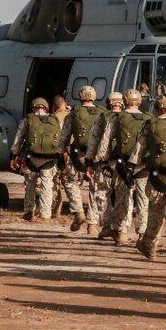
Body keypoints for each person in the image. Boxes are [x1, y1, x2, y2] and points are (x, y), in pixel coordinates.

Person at [93, 89, 153, 245]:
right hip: (143, 165)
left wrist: (102, 161)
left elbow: (106, 140)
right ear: (139, 102)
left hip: (122, 165)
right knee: (143, 200)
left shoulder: (117, 118)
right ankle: (142, 234)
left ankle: (120, 232)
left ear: (124, 101)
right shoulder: (149, 118)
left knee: (122, 198)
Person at [132, 96, 166, 263]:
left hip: (158, 176)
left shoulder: (152, 124)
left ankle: (150, 245)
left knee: (156, 213)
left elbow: (139, 149)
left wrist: (131, 167)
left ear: (160, 108)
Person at [59, 86, 105, 232]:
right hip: (96, 156)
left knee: (71, 181)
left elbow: (64, 137)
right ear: (94, 97)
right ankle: (92, 224)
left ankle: (78, 211)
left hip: (78, 155)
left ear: (80, 97)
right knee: (96, 188)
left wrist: (60, 153)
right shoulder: (102, 113)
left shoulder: (73, 114)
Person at [10, 97, 63, 221]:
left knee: (30, 185)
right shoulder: (55, 120)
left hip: (31, 158)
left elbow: (18, 138)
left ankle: (29, 211)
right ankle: (46, 215)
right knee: (47, 185)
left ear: (33, 108)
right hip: (50, 159)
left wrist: (14, 155)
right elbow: (61, 139)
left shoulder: (27, 120)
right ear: (46, 108)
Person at [84, 91, 124, 237]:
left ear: (108, 103)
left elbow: (93, 140)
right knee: (123, 197)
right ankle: (121, 231)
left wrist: (90, 162)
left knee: (102, 193)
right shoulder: (129, 118)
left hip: (105, 163)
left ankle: (105, 226)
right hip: (124, 165)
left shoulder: (102, 118)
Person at [51, 95, 72, 218]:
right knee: (70, 182)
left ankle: (57, 208)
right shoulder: (72, 115)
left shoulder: (53, 118)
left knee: (55, 181)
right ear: (65, 104)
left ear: (54, 106)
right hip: (72, 154)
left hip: (59, 153)